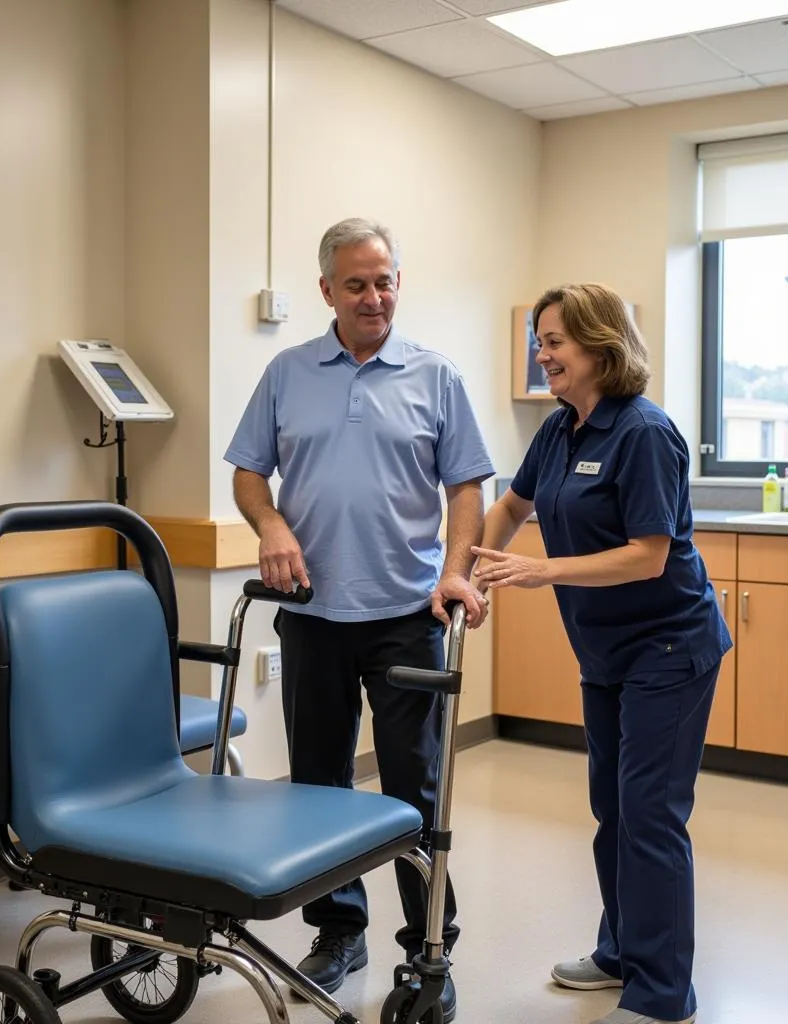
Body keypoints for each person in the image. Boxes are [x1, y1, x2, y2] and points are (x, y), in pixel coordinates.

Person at [224, 217, 494, 1022]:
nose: (374, 297)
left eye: (385, 281)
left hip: (407, 613)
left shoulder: (435, 375)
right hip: (313, 616)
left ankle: (428, 945)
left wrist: (455, 570)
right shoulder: (287, 371)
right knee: (318, 786)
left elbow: (467, 488)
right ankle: (340, 928)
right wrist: (270, 526)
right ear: (326, 291)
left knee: (415, 789)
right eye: (356, 284)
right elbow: (246, 474)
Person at [471, 283, 731, 1024]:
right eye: (539, 341)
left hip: (670, 646)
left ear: (600, 346)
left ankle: (661, 993)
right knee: (612, 810)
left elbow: (648, 556)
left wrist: (539, 570)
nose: (543, 354)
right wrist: (474, 566)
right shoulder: (561, 430)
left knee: (650, 813)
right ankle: (621, 952)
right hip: (607, 653)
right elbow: (513, 506)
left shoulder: (646, 433)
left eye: (555, 341)